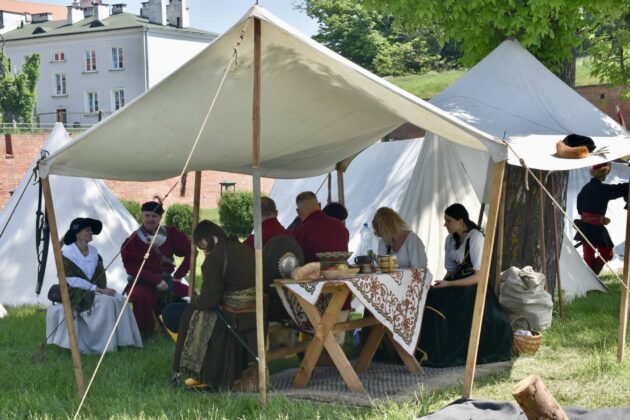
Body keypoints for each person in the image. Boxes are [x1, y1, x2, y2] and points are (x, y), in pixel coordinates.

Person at [417, 203, 512, 367]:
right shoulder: (450, 240)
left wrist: (448, 285)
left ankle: (443, 351)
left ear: (461, 221)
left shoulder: (476, 238)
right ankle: (429, 351)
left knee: (443, 302)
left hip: (473, 288)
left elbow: (479, 277)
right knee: (431, 296)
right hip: (455, 283)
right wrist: (442, 284)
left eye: (448, 220)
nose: (445, 224)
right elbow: (451, 271)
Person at [170, 220, 259, 390]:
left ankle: (202, 372)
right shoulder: (244, 249)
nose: (201, 248)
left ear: (208, 238)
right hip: (253, 310)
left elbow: (209, 300)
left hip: (235, 315)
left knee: (186, 315)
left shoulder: (216, 257)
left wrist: (195, 299)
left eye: (200, 243)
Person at [46, 218, 142, 354]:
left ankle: (124, 341)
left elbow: (99, 275)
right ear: (77, 234)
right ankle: (104, 346)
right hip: (76, 292)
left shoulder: (93, 251)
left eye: (91, 230)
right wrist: (99, 290)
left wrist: (102, 289)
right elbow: (72, 280)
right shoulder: (67, 253)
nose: (91, 233)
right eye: (87, 230)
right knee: (107, 303)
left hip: (96, 290)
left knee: (120, 299)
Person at [121, 201, 190, 332]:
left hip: (168, 280)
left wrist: (178, 275)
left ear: (160, 218)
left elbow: (190, 251)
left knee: (190, 294)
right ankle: (145, 330)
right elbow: (131, 267)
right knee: (142, 296)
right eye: (147, 215)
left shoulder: (171, 234)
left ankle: (179, 326)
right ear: (142, 216)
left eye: (154, 216)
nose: (150, 219)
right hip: (141, 282)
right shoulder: (133, 240)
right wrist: (155, 280)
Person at [576, 162, 629, 274]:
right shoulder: (602, 189)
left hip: (585, 227)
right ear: (604, 174)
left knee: (588, 256)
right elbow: (620, 190)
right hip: (596, 228)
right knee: (606, 253)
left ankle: (590, 279)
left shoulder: (584, 189)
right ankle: (592, 277)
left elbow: (579, 209)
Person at [291, 191, 350, 263]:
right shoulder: (340, 226)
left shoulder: (298, 233)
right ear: (319, 205)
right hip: (343, 272)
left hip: (315, 273)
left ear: (298, 211)